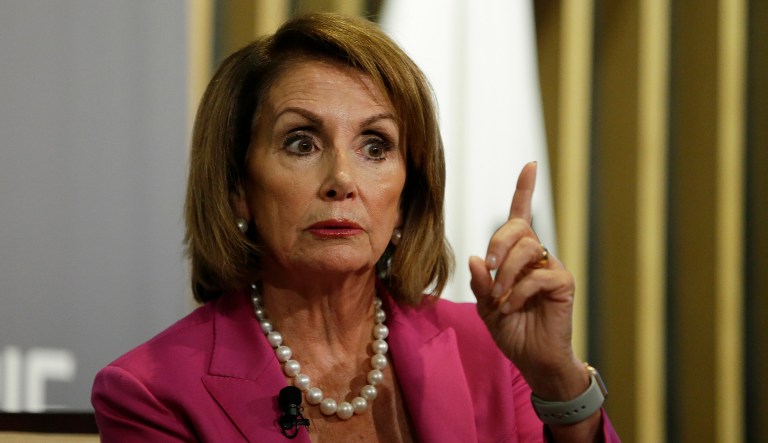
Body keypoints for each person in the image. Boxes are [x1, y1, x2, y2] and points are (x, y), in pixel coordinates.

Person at [92, 12, 620, 443]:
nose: (342, 180)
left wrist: (556, 380)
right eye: (301, 142)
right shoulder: (151, 393)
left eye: (375, 146)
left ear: (407, 195)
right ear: (238, 188)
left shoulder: (486, 350)